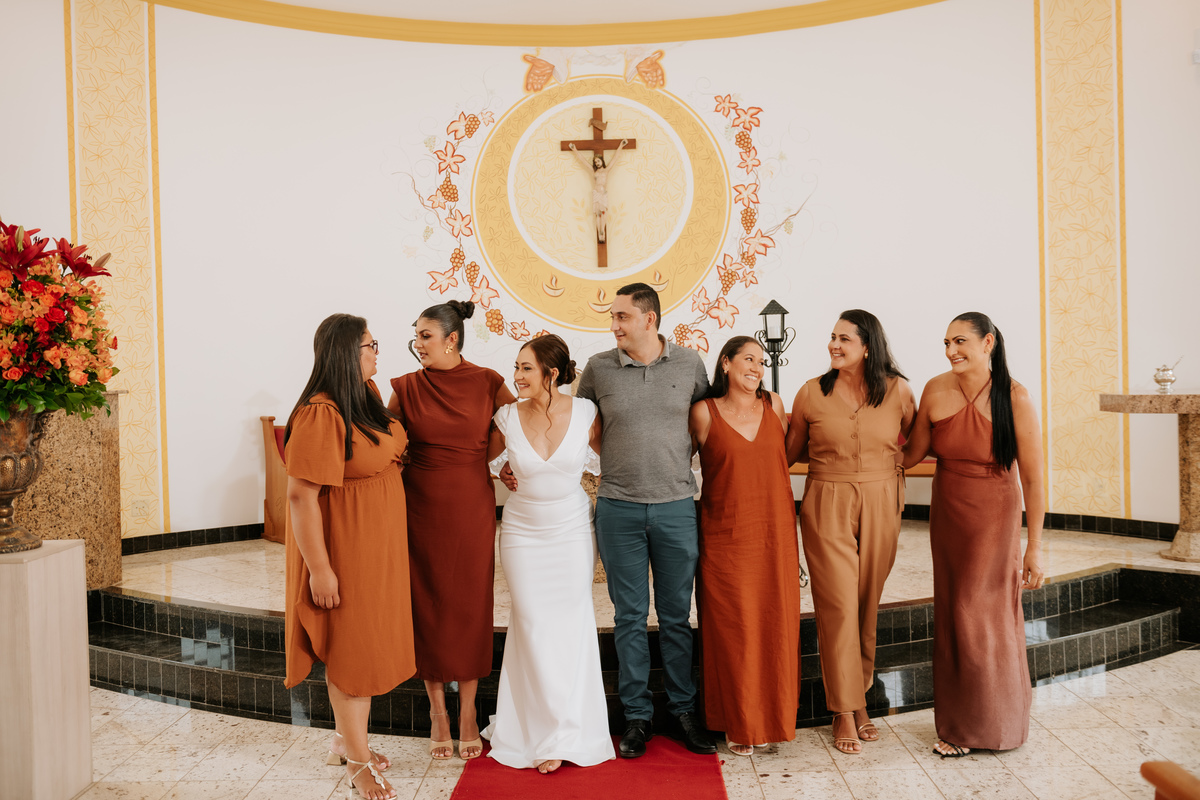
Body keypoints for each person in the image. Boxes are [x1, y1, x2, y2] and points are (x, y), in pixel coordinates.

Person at [566, 282, 715, 757]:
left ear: (649, 319)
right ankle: (637, 717)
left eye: (622, 317)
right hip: (618, 507)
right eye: (613, 317)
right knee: (629, 617)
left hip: (676, 507)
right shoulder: (598, 368)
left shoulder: (690, 364)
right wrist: (621, 457)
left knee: (675, 617)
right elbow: (586, 427)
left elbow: (703, 422)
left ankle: (683, 710)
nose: (613, 325)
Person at [901, 312, 1045, 757]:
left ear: (988, 343)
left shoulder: (1015, 397)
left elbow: (1034, 479)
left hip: (994, 515)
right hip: (948, 514)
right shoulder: (935, 388)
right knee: (953, 610)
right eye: (946, 343)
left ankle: (995, 725)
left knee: (980, 611)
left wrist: (1034, 548)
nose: (951, 351)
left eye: (960, 341)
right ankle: (960, 725)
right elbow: (911, 454)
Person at [283, 314, 414, 800]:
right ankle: (358, 763)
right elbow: (300, 497)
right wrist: (320, 569)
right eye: (369, 345)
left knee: (368, 643)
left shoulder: (365, 396)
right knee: (353, 651)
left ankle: (346, 740)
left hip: (378, 547)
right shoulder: (320, 413)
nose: (377, 352)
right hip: (346, 548)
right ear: (345, 352)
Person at [481, 334, 614, 774]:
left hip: (572, 532)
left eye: (526, 368)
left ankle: (566, 730)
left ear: (551, 373)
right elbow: (484, 462)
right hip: (522, 534)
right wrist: (503, 471)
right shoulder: (506, 417)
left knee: (571, 625)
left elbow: (610, 459)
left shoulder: (586, 413)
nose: (517, 376)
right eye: (516, 367)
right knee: (532, 625)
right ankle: (532, 727)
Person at [387, 300, 515, 761]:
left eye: (425, 335)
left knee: (470, 604)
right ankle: (438, 712)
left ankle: (468, 712)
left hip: (470, 507)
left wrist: (487, 459)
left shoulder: (488, 382)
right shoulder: (404, 387)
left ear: (452, 339)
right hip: (420, 506)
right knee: (428, 603)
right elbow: (389, 443)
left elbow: (517, 426)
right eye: (416, 336)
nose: (418, 344)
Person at [785, 309, 915, 755]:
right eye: (832, 337)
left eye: (844, 339)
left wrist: (892, 466)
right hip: (827, 500)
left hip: (883, 499)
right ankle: (843, 709)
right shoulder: (811, 393)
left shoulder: (899, 391)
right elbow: (787, 453)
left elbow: (917, 441)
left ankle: (858, 699)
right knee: (838, 605)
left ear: (867, 346)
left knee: (865, 604)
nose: (833, 345)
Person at [689, 336, 800, 756]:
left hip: (774, 536)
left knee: (774, 625)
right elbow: (677, 463)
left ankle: (771, 719)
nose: (756, 367)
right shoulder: (703, 412)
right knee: (734, 629)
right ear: (725, 363)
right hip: (725, 537)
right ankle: (739, 721)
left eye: (761, 361)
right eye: (748, 359)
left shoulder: (774, 405)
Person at [568, 138, 628, 244]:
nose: (597, 163)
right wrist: (575, 150)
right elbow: (583, 161)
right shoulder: (593, 171)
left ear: (602, 161)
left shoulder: (606, 170)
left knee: (603, 213)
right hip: (596, 193)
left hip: (603, 193)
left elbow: (615, 158)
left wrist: (621, 146)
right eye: (595, 162)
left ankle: (602, 231)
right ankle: (599, 233)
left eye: (598, 161)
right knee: (598, 214)